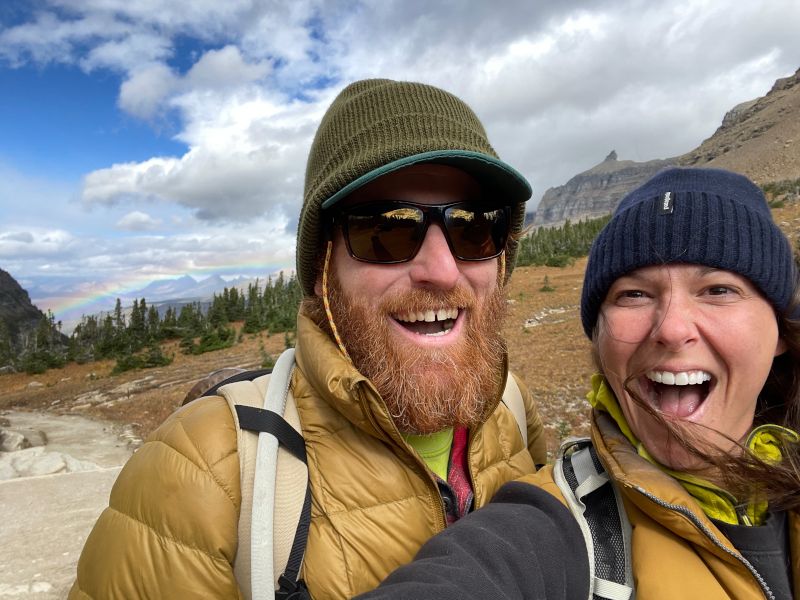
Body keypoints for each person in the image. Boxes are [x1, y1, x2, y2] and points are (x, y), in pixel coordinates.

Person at [68, 78, 547, 599]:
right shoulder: (201, 474)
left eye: (474, 228)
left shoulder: (513, 409)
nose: (441, 269)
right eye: (387, 229)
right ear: (322, 269)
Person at [359, 167, 800, 599]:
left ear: (780, 329)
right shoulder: (559, 524)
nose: (671, 328)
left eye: (718, 290)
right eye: (634, 294)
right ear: (600, 337)